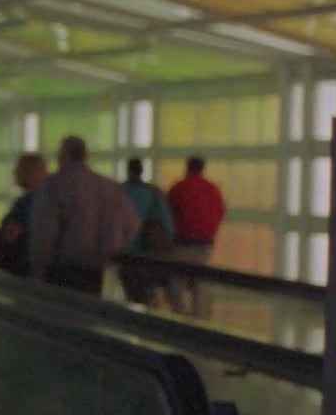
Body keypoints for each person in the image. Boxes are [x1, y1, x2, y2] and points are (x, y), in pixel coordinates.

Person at [29, 135, 139, 295]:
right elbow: (132, 224)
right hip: (97, 270)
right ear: (85, 156)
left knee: (59, 314)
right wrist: (110, 249)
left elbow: (44, 232)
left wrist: (38, 268)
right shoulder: (109, 187)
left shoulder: (53, 185)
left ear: (62, 156)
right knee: (87, 314)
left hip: (61, 270)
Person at [166, 155, 227, 316]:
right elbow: (220, 212)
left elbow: (168, 213)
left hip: (181, 244)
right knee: (200, 286)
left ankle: (179, 318)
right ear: (202, 168)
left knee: (176, 286)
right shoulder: (213, 189)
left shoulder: (178, 188)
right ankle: (199, 321)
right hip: (204, 245)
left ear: (187, 167)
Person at [119, 156, 175, 306]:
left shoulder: (119, 192)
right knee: (147, 295)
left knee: (130, 295)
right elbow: (167, 225)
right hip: (147, 253)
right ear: (142, 170)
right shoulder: (154, 193)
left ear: (128, 170)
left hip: (124, 254)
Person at [0, 152, 48, 275]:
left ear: (30, 172)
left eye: (18, 169)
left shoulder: (29, 202)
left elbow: (10, 235)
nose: (14, 173)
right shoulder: (42, 199)